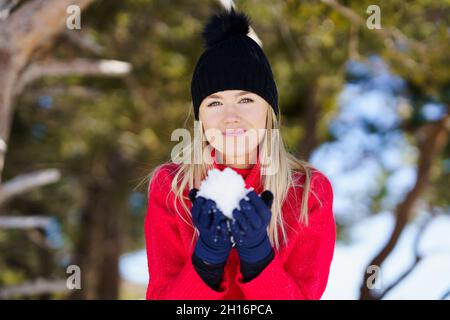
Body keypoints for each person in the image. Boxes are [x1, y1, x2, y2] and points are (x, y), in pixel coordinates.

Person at [145, 8, 335, 300]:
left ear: (268, 111)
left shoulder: (309, 191)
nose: (230, 117)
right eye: (215, 103)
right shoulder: (171, 187)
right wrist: (205, 263)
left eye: (245, 99)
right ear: (200, 118)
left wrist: (259, 259)